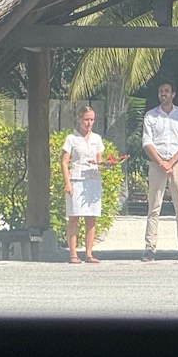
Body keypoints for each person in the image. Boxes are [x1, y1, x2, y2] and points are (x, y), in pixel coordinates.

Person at [142, 81, 178, 262]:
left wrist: (171, 162)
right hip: (157, 164)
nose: (164, 94)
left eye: (167, 91)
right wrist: (162, 162)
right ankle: (150, 247)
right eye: (161, 91)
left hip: (176, 163)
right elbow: (147, 142)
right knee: (154, 207)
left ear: (173, 94)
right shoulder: (151, 116)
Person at [60, 105, 114, 264]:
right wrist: (67, 183)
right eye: (86, 119)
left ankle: (89, 253)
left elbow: (99, 160)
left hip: (93, 180)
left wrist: (107, 165)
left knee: (91, 218)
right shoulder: (71, 139)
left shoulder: (96, 139)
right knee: (74, 217)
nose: (89, 123)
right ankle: (73, 254)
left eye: (91, 120)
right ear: (79, 119)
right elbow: (64, 162)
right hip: (76, 180)